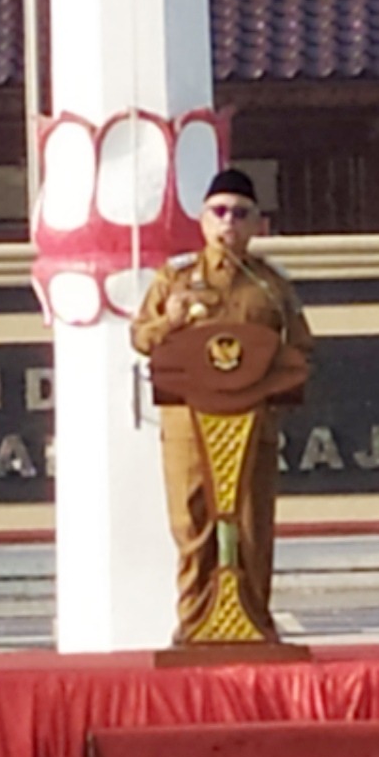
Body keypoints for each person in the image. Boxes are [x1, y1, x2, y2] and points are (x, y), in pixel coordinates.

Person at [131, 167, 315, 647]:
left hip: (253, 426)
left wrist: (275, 378)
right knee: (194, 528)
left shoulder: (271, 285)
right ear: (202, 220)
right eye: (219, 212)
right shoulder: (176, 278)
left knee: (252, 529)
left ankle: (254, 623)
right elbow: (141, 337)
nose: (228, 221)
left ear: (258, 224)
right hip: (190, 428)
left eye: (240, 213)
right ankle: (194, 627)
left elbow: (301, 350)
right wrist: (169, 321)